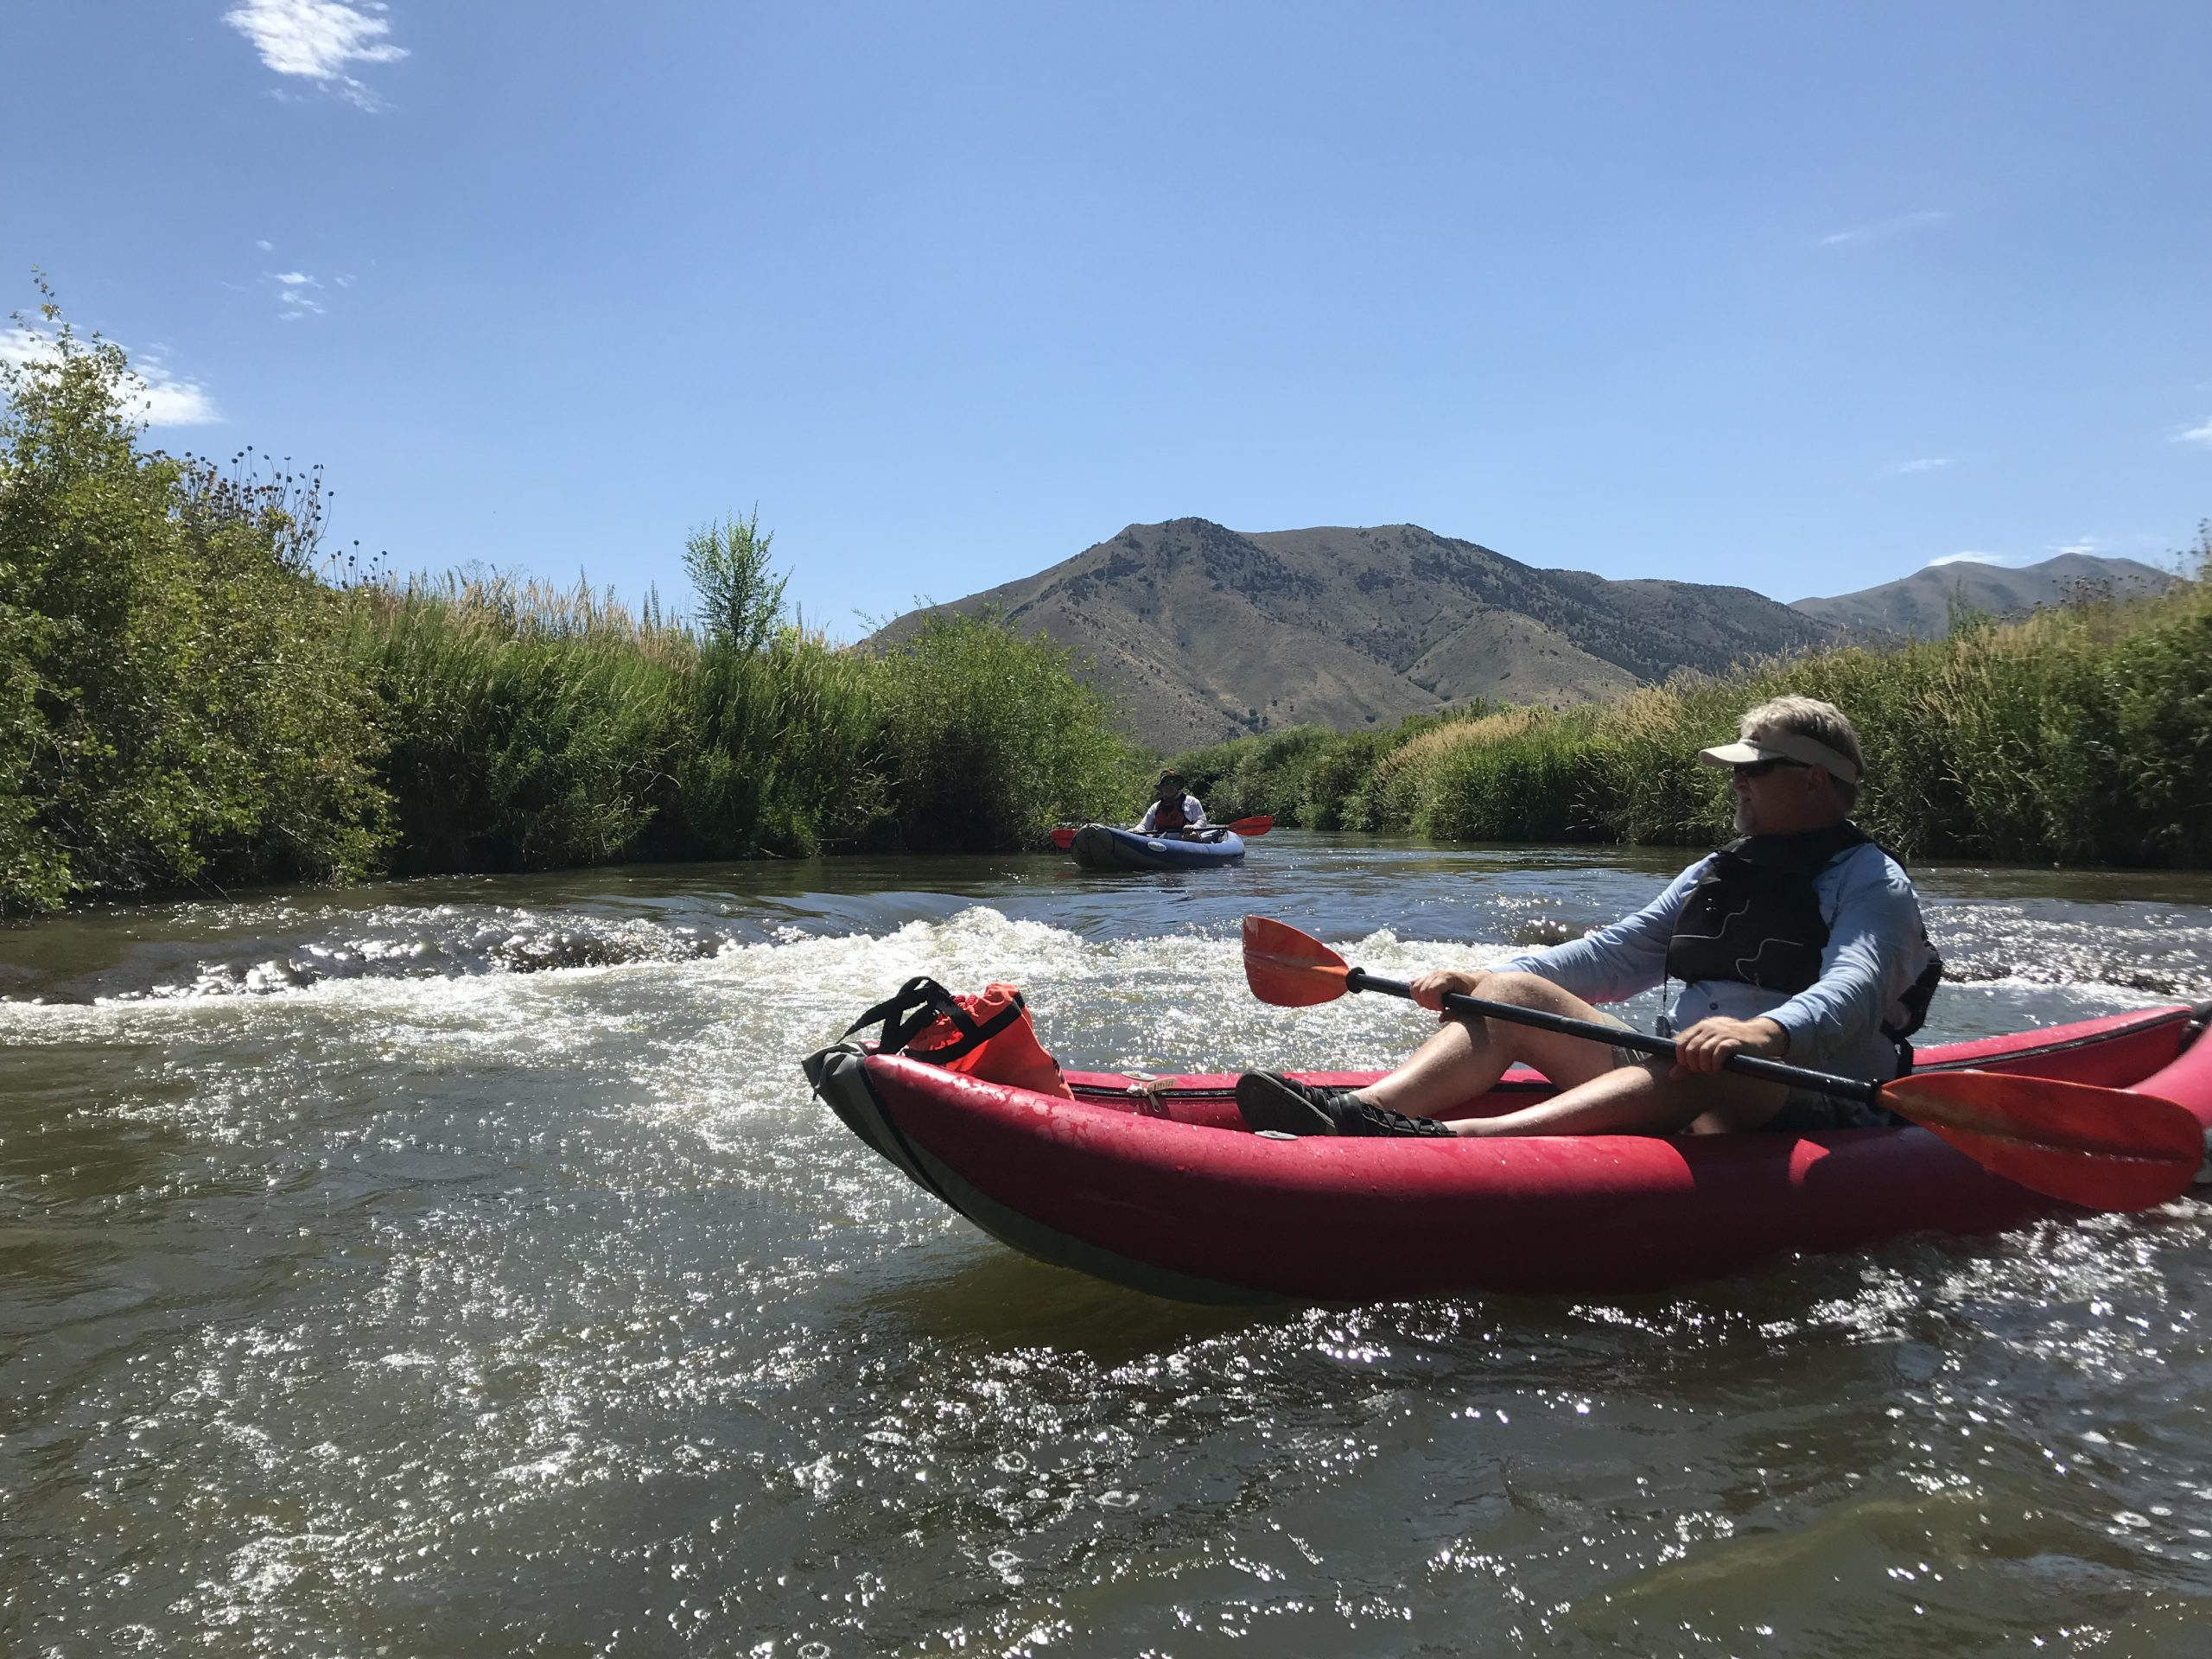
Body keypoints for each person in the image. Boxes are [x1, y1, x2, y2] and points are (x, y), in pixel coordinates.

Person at [1236, 696, 1941, 1140]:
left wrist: (1764, 1031)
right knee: (1510, 995)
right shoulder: (1718, 871)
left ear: (1815, 780)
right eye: (1736, 769)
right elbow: (1612, 957)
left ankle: (1465, 1146)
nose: (1737, 782)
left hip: (1814, 1092)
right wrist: (1482, 977)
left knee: (1718, 1062)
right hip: (1685, 1066)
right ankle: (1361, 1113)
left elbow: (1855, 986)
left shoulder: (1871, 880)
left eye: (1753, 770)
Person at [1134, 771, 1208, 837]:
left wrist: (1194, 827)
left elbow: (1202, 821)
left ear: (1178, 785)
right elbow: (1144, 826)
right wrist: (1135, 830)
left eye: (1172, 782)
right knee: (1146, 835)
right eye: (1165, 784)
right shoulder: (1156, 807)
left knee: (1193, 836)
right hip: (1160, 843)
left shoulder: (1192, 802)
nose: (1169, 786)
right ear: (1161, 788)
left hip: (1184, 841)